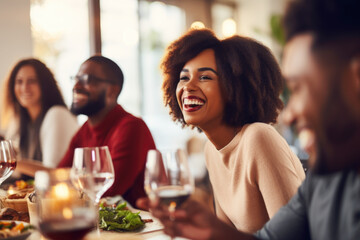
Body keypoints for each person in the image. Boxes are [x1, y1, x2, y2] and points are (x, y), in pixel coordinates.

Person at [145, 0, 360, 239]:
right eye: (183, 78)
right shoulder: (328, 174)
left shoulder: (260, 136)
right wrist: (212, 231)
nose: (289, 115)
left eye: (300, 88)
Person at [142, 28, 305, 233]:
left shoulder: (259, 137)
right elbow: (225, 233)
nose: (188, 87)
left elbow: (295, 237)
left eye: (205, 77)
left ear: (236, 87)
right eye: (183, 78)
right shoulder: (211, 149)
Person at [58, 55, 156, 207]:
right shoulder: (84, 130)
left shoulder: (132, 127)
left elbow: (109, 190)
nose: (75, 86)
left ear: (112, 91)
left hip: (141, 225)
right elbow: (59, 176)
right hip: (100, 222)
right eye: (76, 79)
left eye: (86, 80)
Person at [0, 58, 78, 168]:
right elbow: (16, 174)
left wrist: (7, 161)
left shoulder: (57, 114)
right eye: (19, 81)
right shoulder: (20, 121)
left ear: (45, 85)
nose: (24, 87)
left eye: (32, 81)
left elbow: (52, 173)